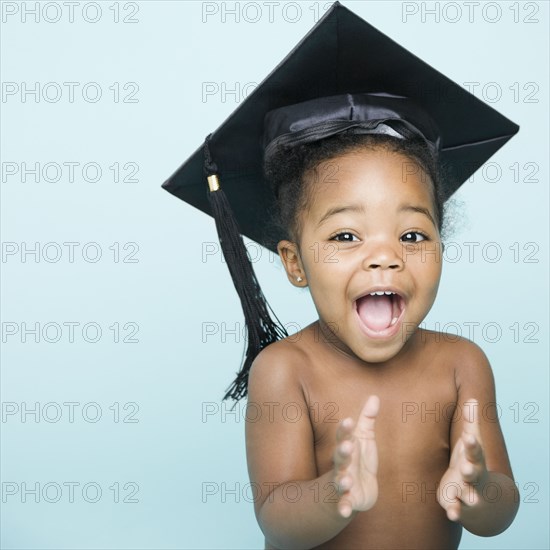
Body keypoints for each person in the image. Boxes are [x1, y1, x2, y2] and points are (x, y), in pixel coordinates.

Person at [162, 2, 520, 548]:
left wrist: (479, 489)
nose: (385, 257)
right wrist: (335, 493)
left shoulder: (461, 364)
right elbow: (277, 516)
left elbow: (501, 511)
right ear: (295, 264)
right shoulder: (285, 370)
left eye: (413, 235)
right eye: (346, 236)